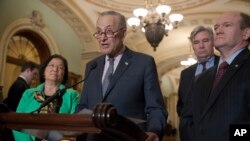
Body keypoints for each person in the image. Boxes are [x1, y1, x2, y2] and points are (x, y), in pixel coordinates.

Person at [75, 11, 167, 141]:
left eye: (109, 32)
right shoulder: (92, 65)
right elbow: (82, 107)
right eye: (99, 32)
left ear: (123, 33)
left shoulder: (143, 63)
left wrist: (154, 131)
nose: (103, 38)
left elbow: (155, 107)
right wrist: (72, 129)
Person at [184, 11, 250, 141]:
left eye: (227, 25)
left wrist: (227, 136)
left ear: (246, 33)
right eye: (216, 27)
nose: (218, 31)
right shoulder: (202, 78)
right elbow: (188, 119)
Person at [13, 54, 79, 141]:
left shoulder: (72, 95)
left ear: (64, 74)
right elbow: (17, 122)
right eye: (52, 65)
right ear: (44, 71)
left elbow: (73, 127)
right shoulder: (28, 93)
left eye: (61, 67)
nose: (55, 69)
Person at [176, 26, 219, 141]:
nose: (201, 46)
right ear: (192, 46)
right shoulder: (185, 73)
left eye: (205, 41)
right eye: (196, 42)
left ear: (213, 42)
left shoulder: (225, 65)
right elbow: (181, 106)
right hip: (191, 135)